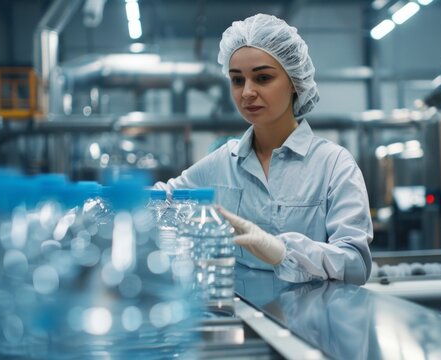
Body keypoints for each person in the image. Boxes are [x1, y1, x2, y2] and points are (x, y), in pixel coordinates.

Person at [154, 13, 372, 285]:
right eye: (237, 80)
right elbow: (162, 200)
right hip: (242, 319)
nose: (247, 92)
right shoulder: (223, 163)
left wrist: (285, 252)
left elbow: (356, 265)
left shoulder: (332, 165)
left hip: (314, 322)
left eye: (263, 78)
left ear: (294, 81)